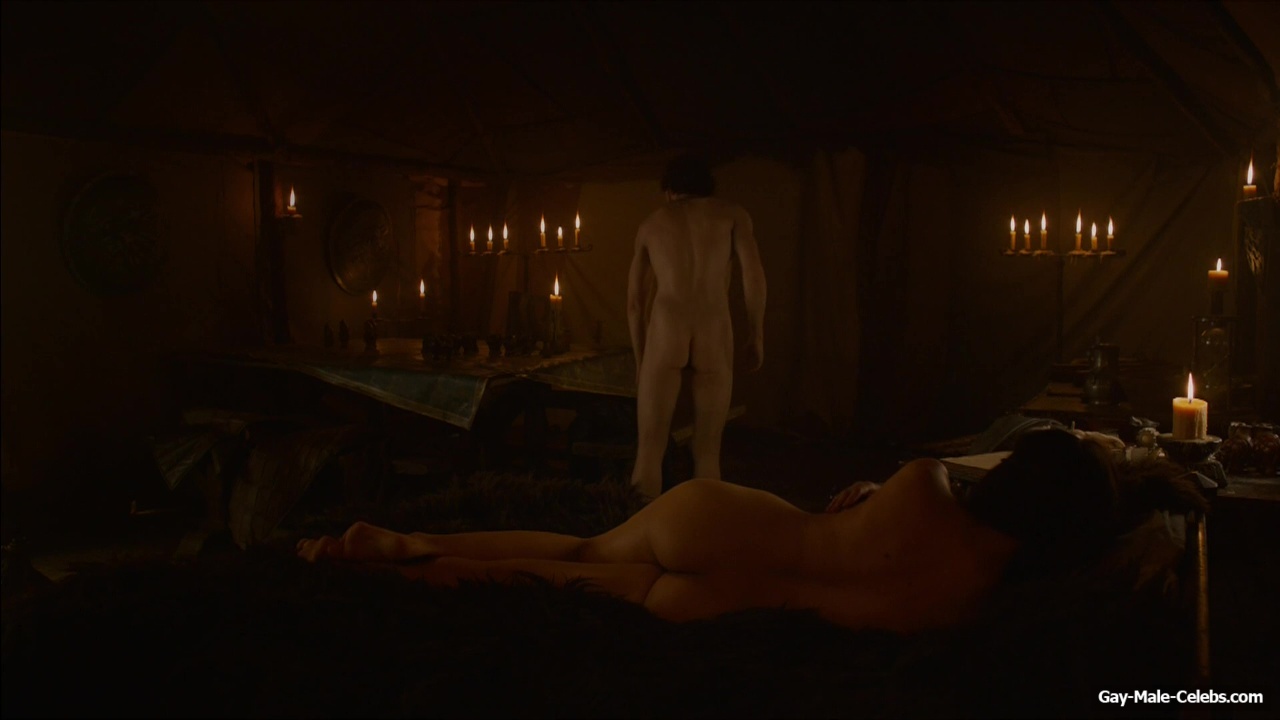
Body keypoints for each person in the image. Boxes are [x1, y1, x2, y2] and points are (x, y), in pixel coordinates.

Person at [298, 429, 1193, 633]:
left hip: (730, 528)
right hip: (722, 605)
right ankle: (410, 570)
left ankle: (389, 542)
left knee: (581, 548)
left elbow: (974, 461)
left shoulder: (926, 482)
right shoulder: (971, 600)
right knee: (571, 581)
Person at [626, 154, 767, 499]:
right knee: (707, 451)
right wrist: (756, 332)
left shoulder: (651, 224)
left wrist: (641, 360)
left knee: (649, 451)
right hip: (713, 329)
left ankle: (640, 527)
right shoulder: (732, 215)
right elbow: (753, 277)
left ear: (668, 190)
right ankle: (706, 527)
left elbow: (635, 304)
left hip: (667, 329)